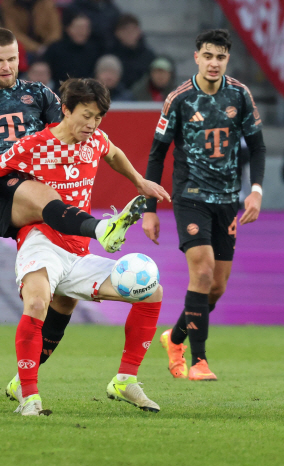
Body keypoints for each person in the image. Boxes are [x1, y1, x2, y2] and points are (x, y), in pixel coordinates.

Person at [0, 78, 169, 416]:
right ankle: (29, 398)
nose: (92, 124)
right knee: (38, 303)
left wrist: (139, 181)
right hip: (42, 242)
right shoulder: (35, 144)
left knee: (151, 291)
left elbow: (114, 153)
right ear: (65, 109)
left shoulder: (96, 141)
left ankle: (125, 380)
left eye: (98, 118)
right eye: (86, 116)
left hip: (78, 252)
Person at [0, 28, 145, 260]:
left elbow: (69, 132)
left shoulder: (38, 93)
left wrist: (138, 180)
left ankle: (72, 268)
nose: (6, 67)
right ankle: (102, 229)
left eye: (11, 59)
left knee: (59, 271)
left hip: (36, 182)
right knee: (46, 196)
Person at [143, 29, 266, 381]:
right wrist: (149, 210)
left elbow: (257, 146)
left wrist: (256, 190)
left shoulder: (240, 95)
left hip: (227, 201)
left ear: (227, 59)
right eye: (208, 56)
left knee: (216, 287)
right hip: (190, 197)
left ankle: (174, 339)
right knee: (203, 272)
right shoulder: (180, 99)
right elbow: (157, 154)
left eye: (220, 57)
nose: (214, 63)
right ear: (197, 57)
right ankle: (199, 362)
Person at [39, 11, 102, 82]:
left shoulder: (95, 50)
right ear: (68, 29)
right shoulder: (55, 49)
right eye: (78, 27)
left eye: (86, 28)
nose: (82, 31)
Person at [109, 14, 155, 89]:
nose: (130, 34)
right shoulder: (110, 55)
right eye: (126, 30)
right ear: (117, 33)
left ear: (139, 31)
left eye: (133, 30)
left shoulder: (149, 56)